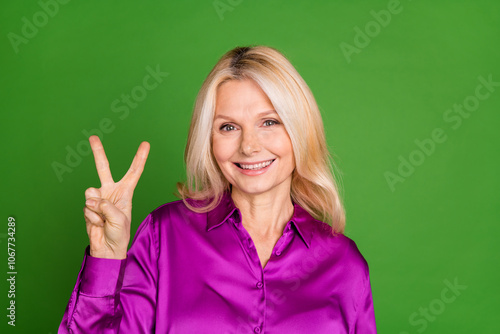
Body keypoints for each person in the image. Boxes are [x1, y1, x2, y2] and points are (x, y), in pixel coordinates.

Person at [58, 45, 377, 333]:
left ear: (299, 129)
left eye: (269, 122)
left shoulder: (344, 264)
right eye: (228, 127)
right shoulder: (163, 236)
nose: (249, 146)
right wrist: (107, 257)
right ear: (208, 141)